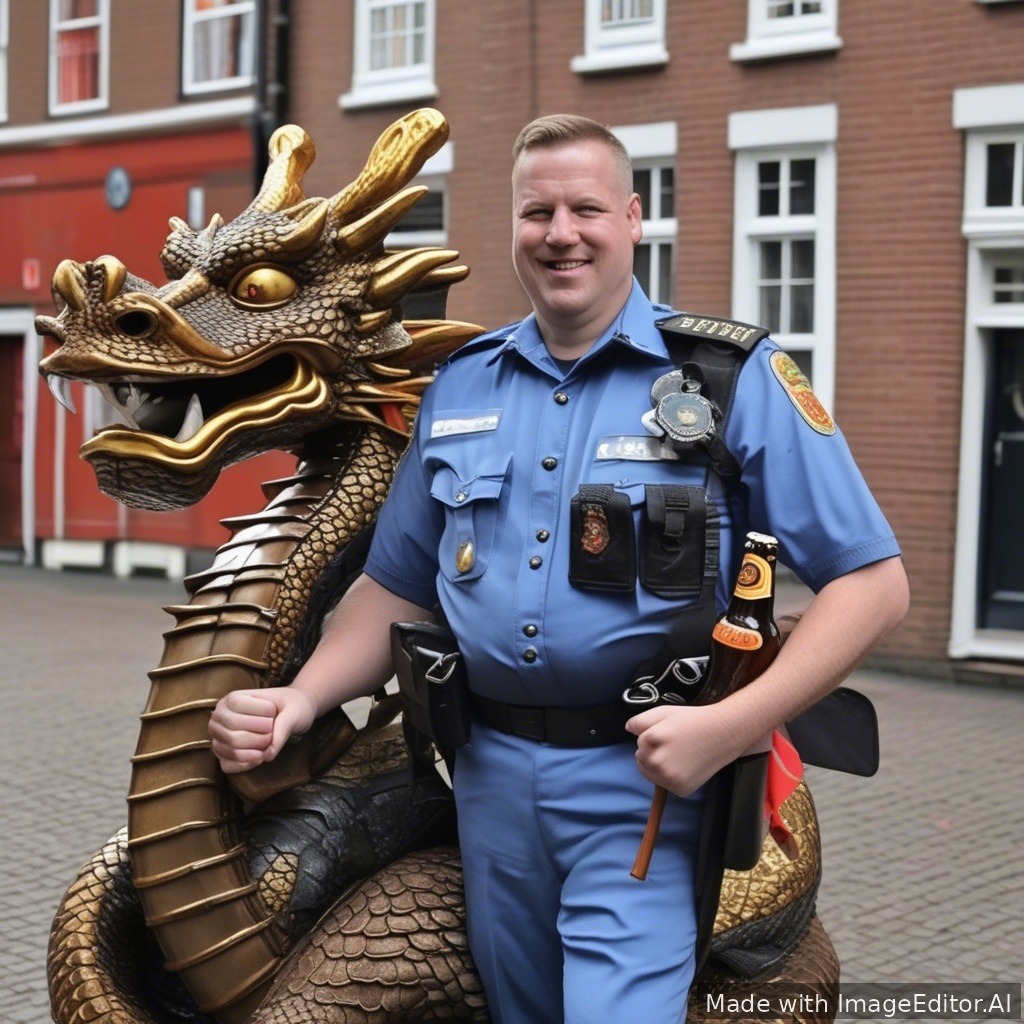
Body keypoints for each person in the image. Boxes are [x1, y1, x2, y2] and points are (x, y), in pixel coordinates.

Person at [209, 114, 909, 1024]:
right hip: (489, 783)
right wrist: (302, 699)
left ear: (632, 218)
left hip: (648, 785)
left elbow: (874, 584)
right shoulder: (461, 385)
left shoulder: (731, 377)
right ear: (513, 227)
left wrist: (732, 727)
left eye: (585, 208)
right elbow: (400, 586)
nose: (560, 233)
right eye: (537, 211)